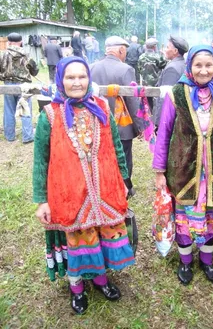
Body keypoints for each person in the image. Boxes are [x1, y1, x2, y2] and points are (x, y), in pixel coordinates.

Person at [33, 56, 135, 315]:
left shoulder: (101, 106)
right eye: (70, 77)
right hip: (68, 194)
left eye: (81, 76)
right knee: (76, 239)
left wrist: (123, 181)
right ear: (60, 80)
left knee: (101, 234)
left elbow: (116, 148)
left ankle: (101, 279)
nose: (76, 82)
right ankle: (76, 288)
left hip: (104, 189)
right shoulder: (50, 115)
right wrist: (41, 199)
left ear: (89, 79)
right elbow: (41, 161)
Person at [153, 45, 213, 286]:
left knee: (211, 217)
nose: (203, 70)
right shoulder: (176, 94)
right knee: (186, 217)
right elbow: (163, 134)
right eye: (198, 65)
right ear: (189, 67)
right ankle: (185, 262)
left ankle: (207, 260)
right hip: (184, 170)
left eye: (209, 65)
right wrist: (159, 171)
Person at [91, 36, 143, 188]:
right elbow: (132, 100)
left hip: (98, 122)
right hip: (121, 124)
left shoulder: (92, 67)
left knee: (102, 155)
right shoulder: (126, 69)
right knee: (124, 156)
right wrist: (140, 126)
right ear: (121, 50)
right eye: (125, 51)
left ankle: (104, 184)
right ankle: (125, 187)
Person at [0, 32, 39, 143]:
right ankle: (27, 137)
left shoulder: (2, 54)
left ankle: (10, 136)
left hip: (8, 85)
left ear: (9, 42)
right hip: (25, 87)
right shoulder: (27, 54)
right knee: (26, 110)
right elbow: (34, 71)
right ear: (21, 42)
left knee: (8, 110)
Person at [154, 35, 189, 127]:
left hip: (169, 119)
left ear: (175, 51)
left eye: (167, 47)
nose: (165, 49)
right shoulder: (183, 64)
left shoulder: (172, 68)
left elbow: (165, 97)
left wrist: (160, 122)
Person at [138, 37, 167, 110]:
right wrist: (164, 55)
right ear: (154, 47)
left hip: (145, 83)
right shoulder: (158, 56)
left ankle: (148, 115)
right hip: (156, 84)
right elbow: (164, 66)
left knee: (147, 102)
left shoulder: (141, 57)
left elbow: (139, 69)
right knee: (157, 102)